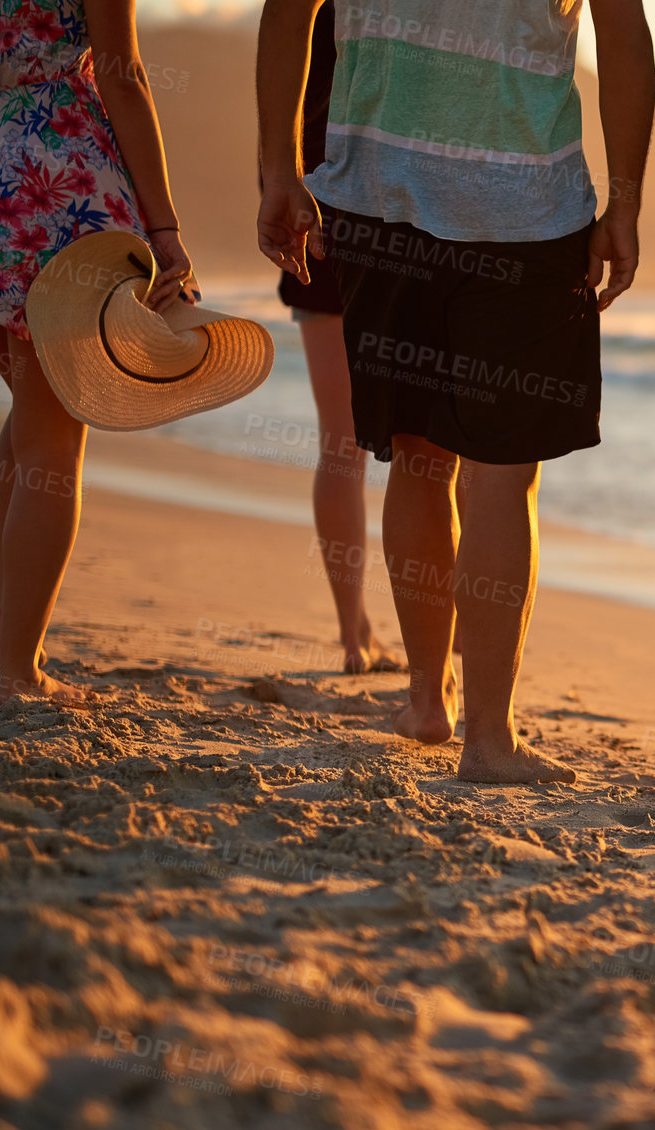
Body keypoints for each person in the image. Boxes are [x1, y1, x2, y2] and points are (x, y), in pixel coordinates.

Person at [256, 0, 655, 784]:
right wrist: (628, 204)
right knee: (504, 472)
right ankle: (490, 736)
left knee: (416, 454)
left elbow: (286, 10)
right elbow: (624, 29)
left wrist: (278, 170)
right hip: (527, 208)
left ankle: (424, 700)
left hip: (378, 197)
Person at [0, 0, 199, 701]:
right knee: (56, 429)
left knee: (36, 405)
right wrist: (166, 228)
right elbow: (124, 76)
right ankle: (19, 669)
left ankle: (9, 619)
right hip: (53, 174)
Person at [268, 0, 399, 675]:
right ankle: (445, 635)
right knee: (435, 444)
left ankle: (354, 634)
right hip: (408, 209)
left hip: (318, 199)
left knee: (340, 444)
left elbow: (279, 82)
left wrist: (277, 181)